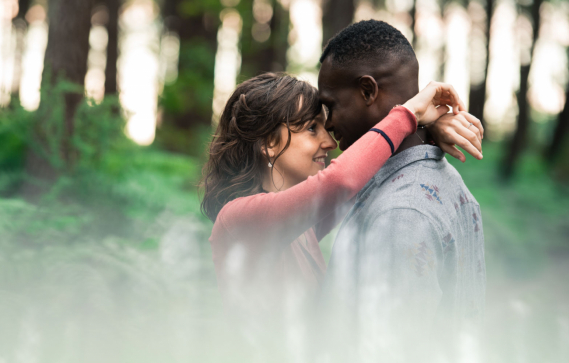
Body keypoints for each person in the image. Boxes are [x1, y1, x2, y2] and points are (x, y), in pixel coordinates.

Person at [201, 71, 483, 312]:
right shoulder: (238, 218)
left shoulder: (302, 228)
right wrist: (410, 113)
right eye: (312, 129)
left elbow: (364, 179)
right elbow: (341, 182)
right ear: (269, 144)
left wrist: (427, 129)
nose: (329, 142)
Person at [317, 20, 486, 316]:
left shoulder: (400, 212)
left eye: (331, 105)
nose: (328, 123)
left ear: (368, 90)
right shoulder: (443, 180)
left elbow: (394, 355)